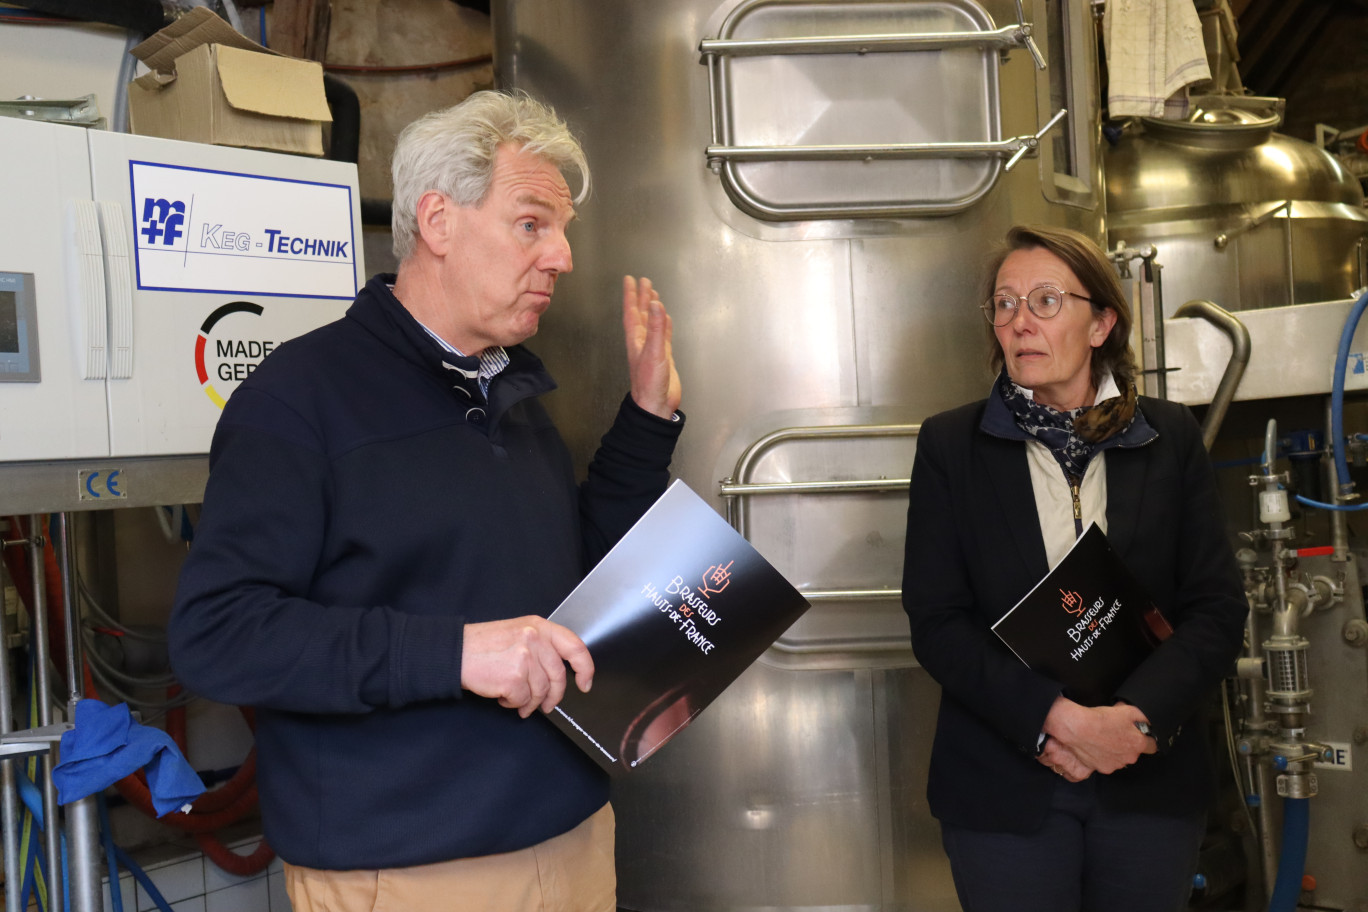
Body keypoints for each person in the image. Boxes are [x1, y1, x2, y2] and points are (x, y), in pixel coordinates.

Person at [168, 90, 684, 912]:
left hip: (575, 837)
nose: (562, 258)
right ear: (439, 223)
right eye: (531, 224)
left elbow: (579, 580)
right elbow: (217, 634)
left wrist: (647, 424)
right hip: (408, 870)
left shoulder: (510, 393)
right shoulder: (300, 400)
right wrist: (456, 654)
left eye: (563, 232)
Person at [901, 225, 1247, 912]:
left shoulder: (1168, 437)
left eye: (1046, 300)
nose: (1019, 321)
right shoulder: (951, 446)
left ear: (1102, 323)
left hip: (1146, 778)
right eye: (1004, 304)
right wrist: (1055, 722)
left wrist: (1136, 721)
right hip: (1005, 784)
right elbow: (938, 622)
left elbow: (1215, 609)